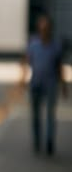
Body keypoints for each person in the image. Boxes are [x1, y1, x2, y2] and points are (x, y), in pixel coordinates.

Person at [21, 14, 66, 155]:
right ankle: (37, 142)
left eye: (46, 26)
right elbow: (27, 62)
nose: (44, 29)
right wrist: (22, 81)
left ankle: (49, 142)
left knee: (50, 115)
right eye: (42, 26)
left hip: (51, 84)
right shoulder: (33, 44)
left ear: (50, 28)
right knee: (35, 115)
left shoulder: (56, 46)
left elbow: (59, 67)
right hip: (36, 84)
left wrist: (63, 85)